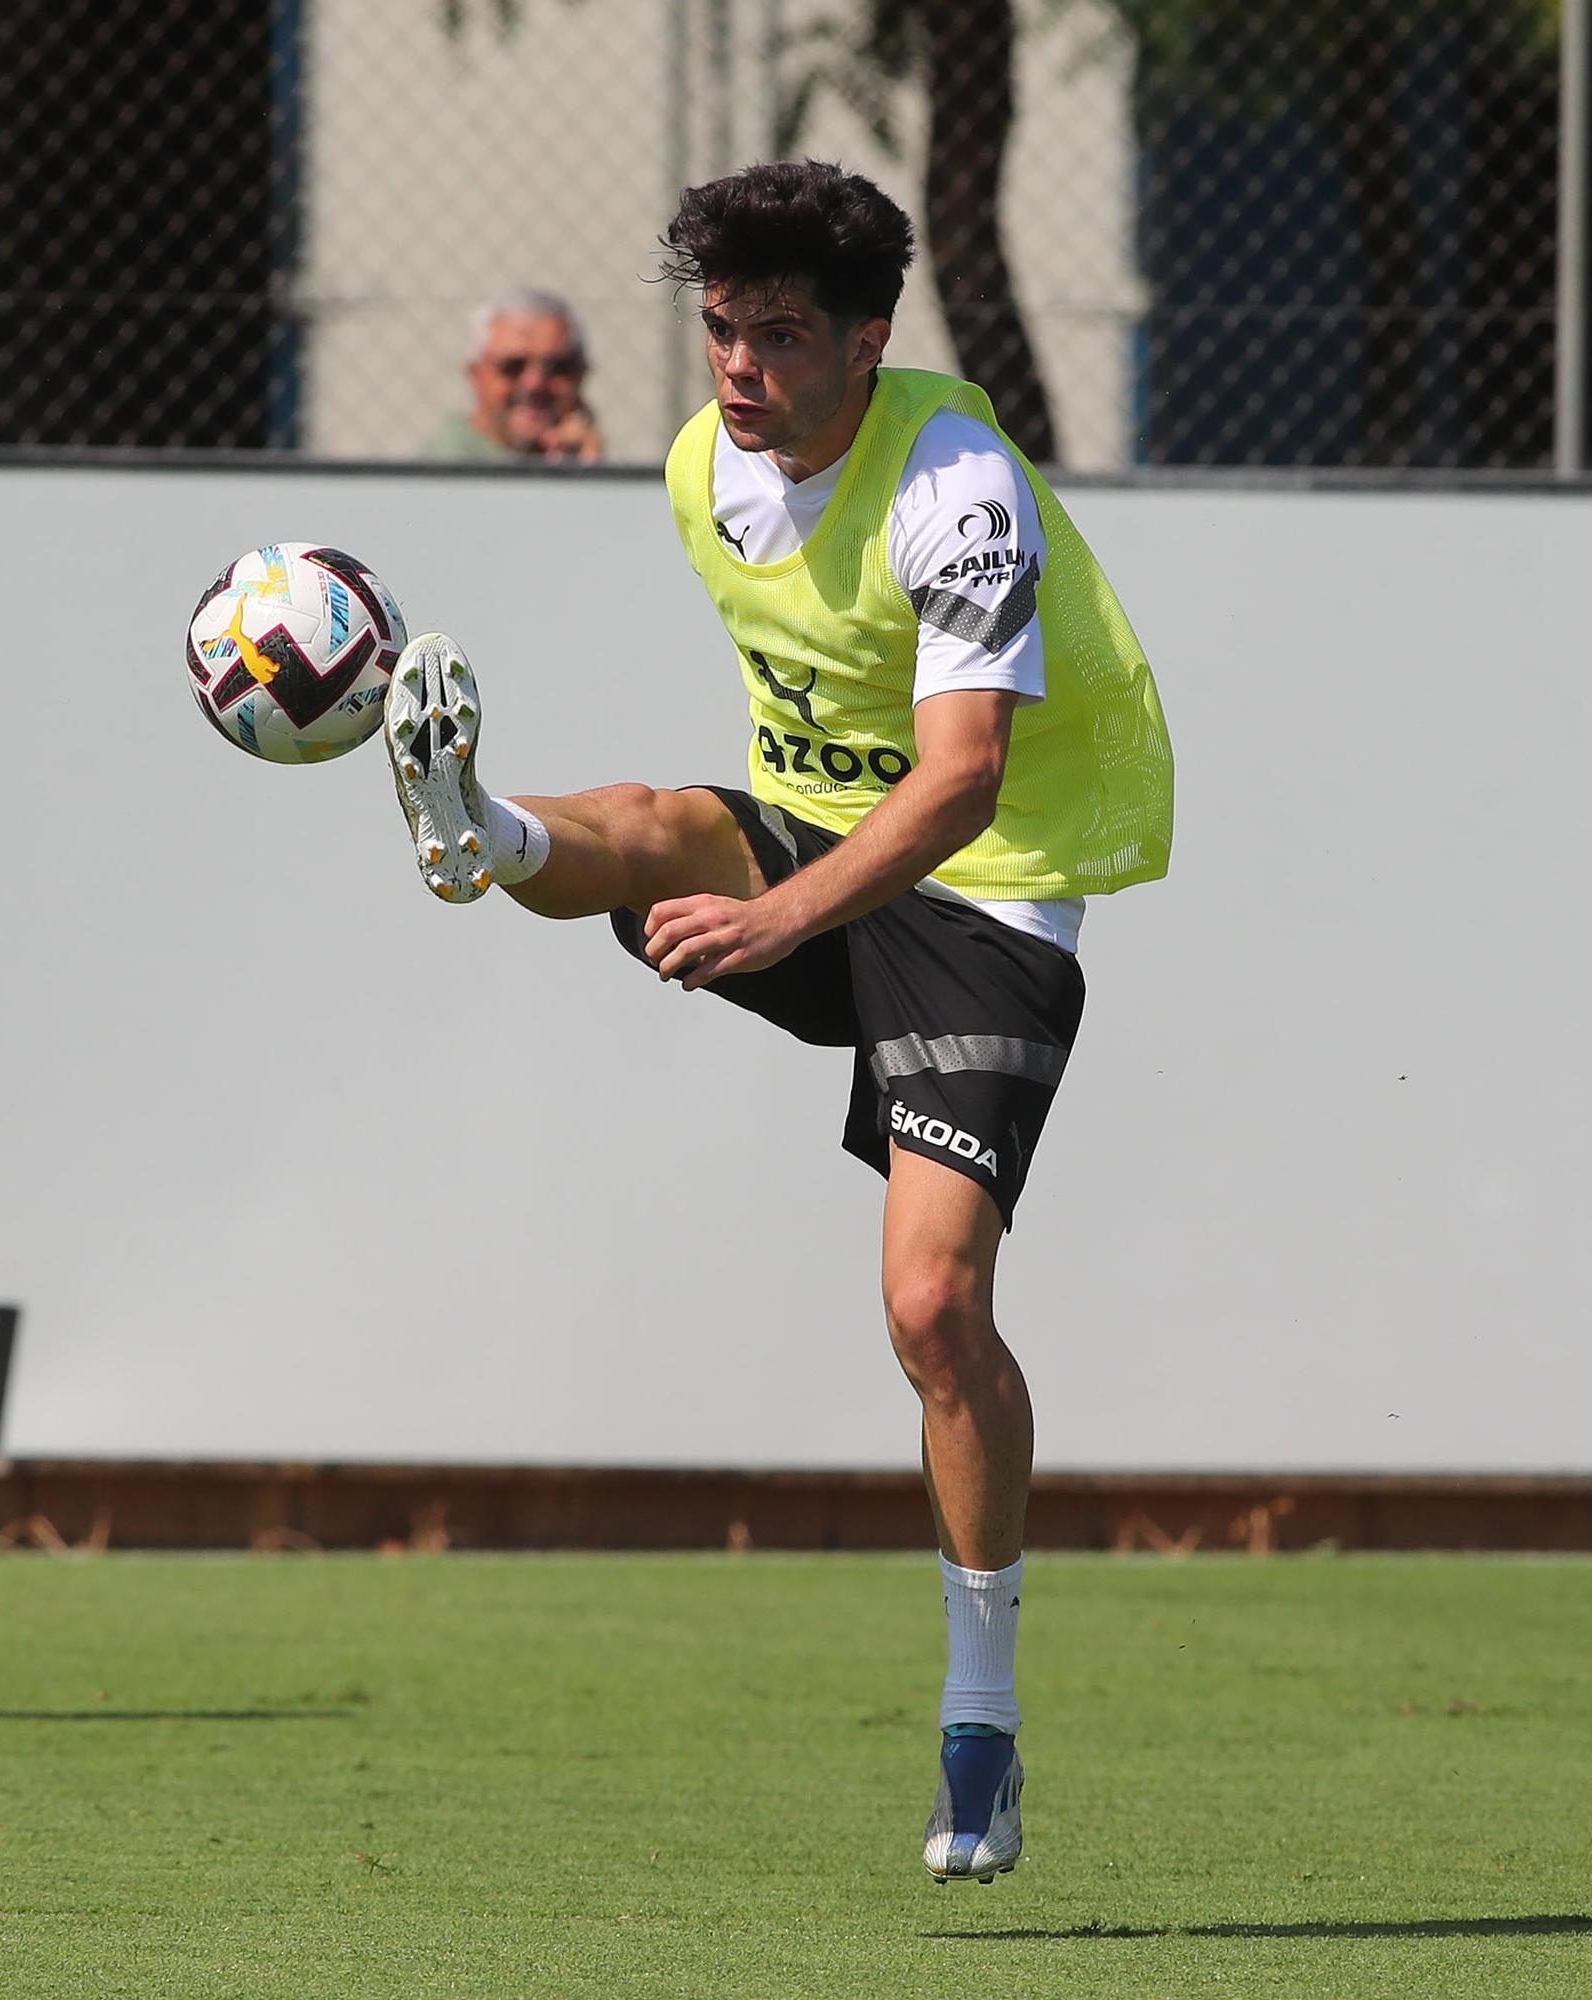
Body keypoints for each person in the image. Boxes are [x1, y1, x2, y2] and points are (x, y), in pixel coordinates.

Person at [385, 161, 1172, 1883]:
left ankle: (980, 1728)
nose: (737, 370)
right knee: (659, 819)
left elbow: (960, 784)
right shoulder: (696, 467)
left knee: (930, 1308)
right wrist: (761, 883)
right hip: (810, 842)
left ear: (869, 341)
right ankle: (484, 828)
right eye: (722, 331)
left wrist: (775, 918)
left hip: (983, 882)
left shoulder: (957, 487)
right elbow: (780, 779)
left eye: (780, 337)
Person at [425, 287, 602, 463]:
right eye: (513, 367)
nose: (534, 383)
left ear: (581, 374)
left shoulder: (576, 456)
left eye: (557, 367)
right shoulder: (446, 470)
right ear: (476, 375)